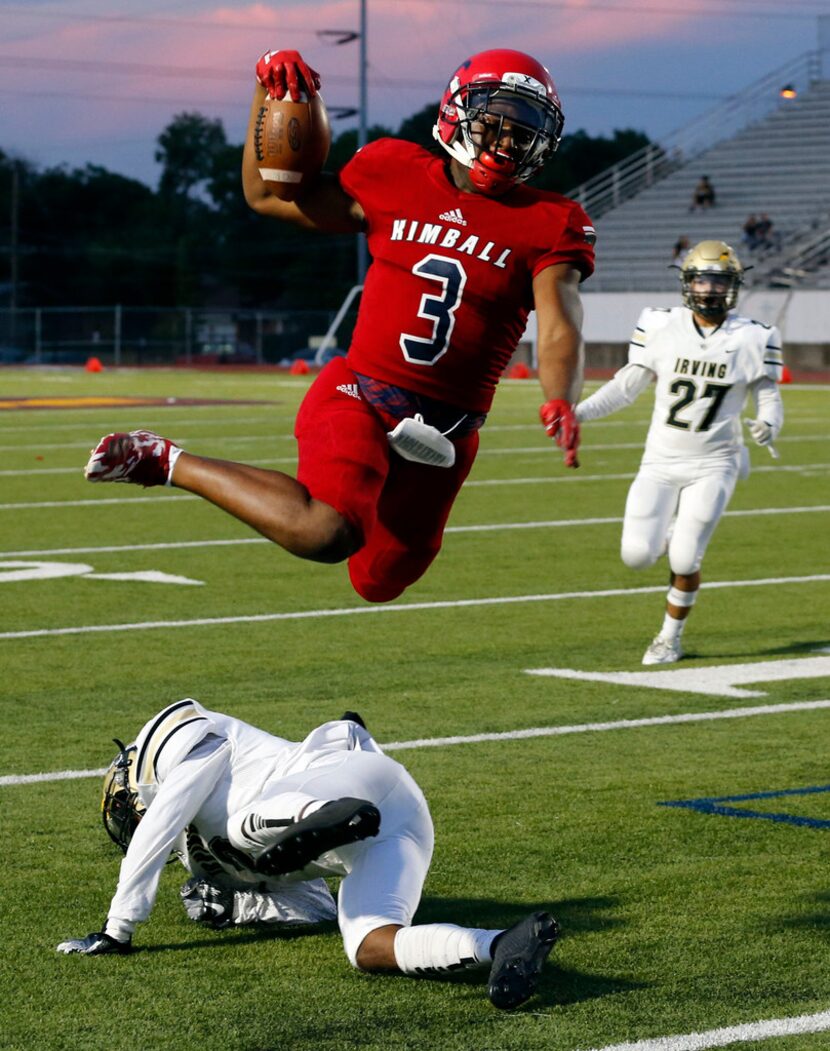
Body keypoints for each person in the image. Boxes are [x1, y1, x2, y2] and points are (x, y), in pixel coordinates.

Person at [84, 47, 595, 603]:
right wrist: (269, 91)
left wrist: (560, 396)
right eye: (496, 123)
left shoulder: (550, 221)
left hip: (446, 438)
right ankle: (162, 459)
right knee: (326, 532)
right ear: (459, 110)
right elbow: (265, 193)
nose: (506, 143)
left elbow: (559, 321)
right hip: (361, 394)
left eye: (523, 134)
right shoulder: (394, 173)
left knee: (378, 581)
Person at [56, 700, 559, 1011]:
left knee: (237, 833)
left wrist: (117, 928)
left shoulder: (183, 748)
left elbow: (164, 817)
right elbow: (314, 906)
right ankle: (500, 947)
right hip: (397, 824)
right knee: (368, 946)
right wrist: (241, 905)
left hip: (348, 783)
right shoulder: (204, 854)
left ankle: (326, 812)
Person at [574, 240, 784, 665]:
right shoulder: (658, 324)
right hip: (660, 461)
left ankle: (669, 638)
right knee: (636, 556)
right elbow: (625, 387)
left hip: (715, 461)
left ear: (734, 285)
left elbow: (768, 394)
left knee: (687, 555)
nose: (709, 289)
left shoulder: (754, 336)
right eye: (703, 278)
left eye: (719, 280)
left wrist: (769, 424)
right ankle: (672, 531)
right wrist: (577, 413)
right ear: (687, 283)